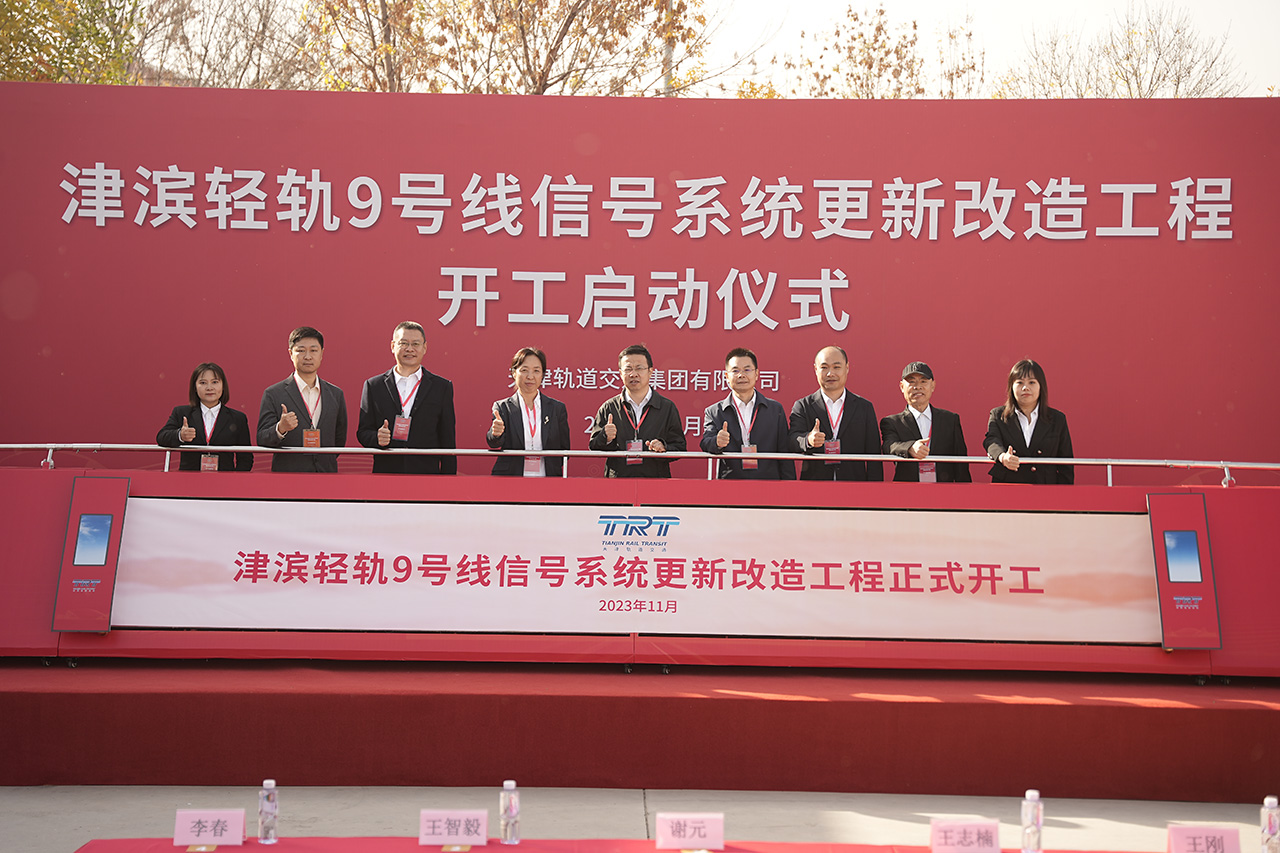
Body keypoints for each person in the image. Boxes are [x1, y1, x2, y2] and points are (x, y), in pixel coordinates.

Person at [357, 321, 456, 474]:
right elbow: (363, 432)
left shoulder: (441, 387)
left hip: (427, 475)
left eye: (415, 344)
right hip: (386, 474)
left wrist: (449, 481)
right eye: (403, 343)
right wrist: (377, 438)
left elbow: (448, 440)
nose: (409, 349)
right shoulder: (374, 386)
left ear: (424, 347)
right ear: (393, 346)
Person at [257, 326, 347, 473]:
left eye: (313, 350)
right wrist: (280, 428)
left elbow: (339, 439)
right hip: (288, 476)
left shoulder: (336, 394)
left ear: (322, 354)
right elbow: (262, 438)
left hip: (326, 474)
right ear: (290, 354)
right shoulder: (273, 394)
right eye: (301, 350)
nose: (308, 356)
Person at [588, 344, 686, 478]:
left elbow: (680, 446)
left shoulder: (666, 407)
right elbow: (594, 446)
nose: (633, 374)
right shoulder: (609, 407)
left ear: (650, 371)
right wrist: (605, 438)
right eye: (628, 369)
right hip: (618, 482)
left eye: (639, 368)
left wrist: (664, 447)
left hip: (655, 481)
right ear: (620, 373)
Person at [788, 345, 884, 481]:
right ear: (816, 369)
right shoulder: (803, 406)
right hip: (815, 486)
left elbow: (874, 455)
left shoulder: (864, 407)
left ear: (847, 368)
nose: (830, 373)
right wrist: (808, 439)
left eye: (836, 367)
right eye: (824, 367)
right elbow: (792, 440)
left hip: (854, 485)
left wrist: (874, 489)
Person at [700, 347, 795, 480]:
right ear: (726, 376)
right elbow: (705, 442)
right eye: (735, 370)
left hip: (769, 483)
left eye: (747, 370)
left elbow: (785, 452)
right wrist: (717, 442)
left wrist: (789, 486)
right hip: (731, 483)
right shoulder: (715, 411)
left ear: (756, 374)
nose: (741, 375)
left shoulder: (775, 409)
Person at [984, 358, 1074, 484]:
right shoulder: (998, 415)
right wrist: (1003, 457)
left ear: (1041, 386)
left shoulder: (1057, 419)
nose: (1025, 388)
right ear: (1011, 387)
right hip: (1008, 487)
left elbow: (1066, 464)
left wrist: (1063, 493)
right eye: (1019, 382)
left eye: (1032, 382)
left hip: (1045, 488)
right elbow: (991, 440)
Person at [880, 361, 972, 483]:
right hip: (907, 490)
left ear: (932, 385)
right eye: (912, 382)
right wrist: (910, 448)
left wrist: (964, 490)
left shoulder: (950, 420)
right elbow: (889, 445)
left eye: (923, 381)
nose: (917, 387)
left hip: (944, 489)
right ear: (902, 386)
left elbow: (961, 463)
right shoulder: (892, 422)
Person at [486, 346, 571, 477]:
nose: (530, 376)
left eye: (536, 371)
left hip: (547, 478)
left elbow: (564, 449)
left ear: (543, 374)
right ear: (514, 373)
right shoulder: (503, 407)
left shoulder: (556, 409)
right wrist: (495, 433)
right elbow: (493, 443)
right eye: (524, 370)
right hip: (511, 477)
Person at [156, 362, 253, 471]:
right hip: (189, 478)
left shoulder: (238, 418)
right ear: (195, 387)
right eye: (203, 383)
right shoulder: (182, 413)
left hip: (224, 479)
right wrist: (180, 435)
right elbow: (161, 437)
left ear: (223, 386)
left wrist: (234, 478)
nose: (209, 388)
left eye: (215, 382)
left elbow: (246, 458)